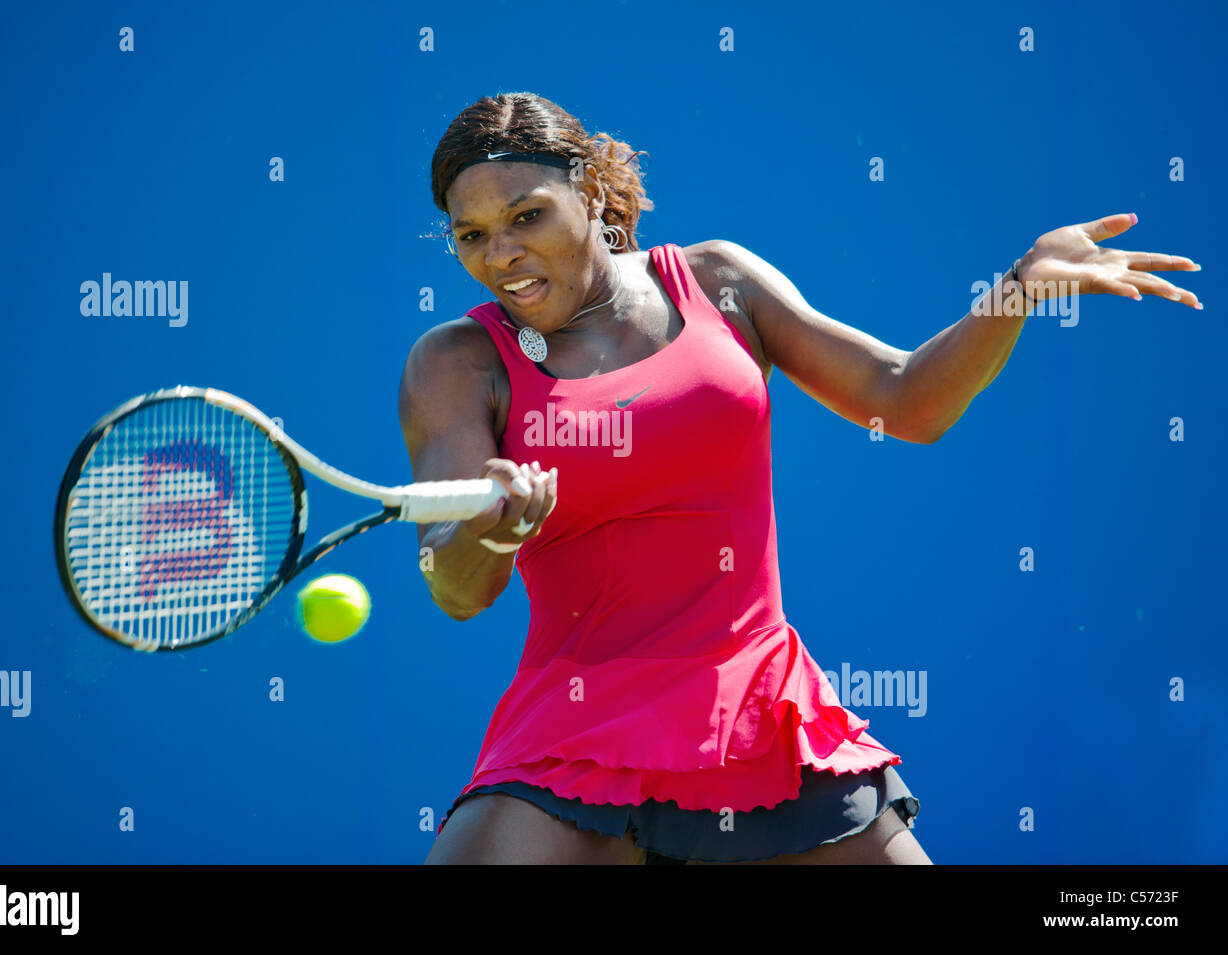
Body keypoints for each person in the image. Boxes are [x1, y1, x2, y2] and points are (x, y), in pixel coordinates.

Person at [400, 92, 1201, 865]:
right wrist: (490, 531)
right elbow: (456, 586)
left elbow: (904, 398)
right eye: (469, 235)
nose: (499, 255)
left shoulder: (718, 283)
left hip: (763, 723)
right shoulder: (458, 363)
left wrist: (1019, 288)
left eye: (525, 216)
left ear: (587, 190)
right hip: (568, 742)